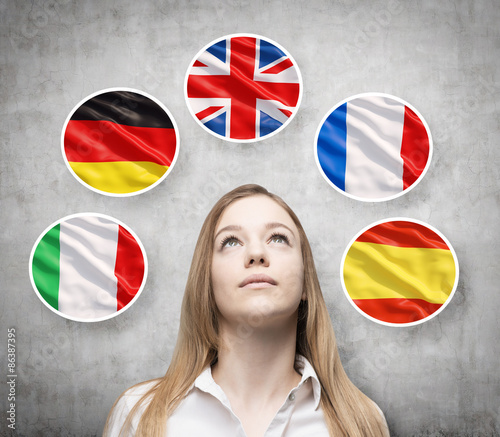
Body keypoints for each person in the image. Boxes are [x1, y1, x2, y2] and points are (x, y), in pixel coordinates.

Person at [104, 184, 389, 437]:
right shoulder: (137, 414)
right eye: (231, 241)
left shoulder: (362, 422)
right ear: (208, 283)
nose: (256, 254)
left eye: (278, 238)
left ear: (305, 283)